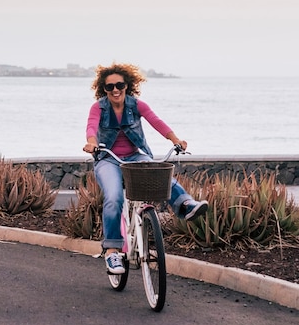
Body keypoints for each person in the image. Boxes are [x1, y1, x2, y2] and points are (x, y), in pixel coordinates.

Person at [82, 63, 208, 274]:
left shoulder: (137, 105)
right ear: (103, 89)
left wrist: (176, 140)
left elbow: (156, 122)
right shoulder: (98, 108)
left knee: (159, 174)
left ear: (127, 86)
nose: (115, 90)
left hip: (135, 156)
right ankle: (112, 252)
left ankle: (185, 205)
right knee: (114, 197)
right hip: (107, 158)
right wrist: (91, 142)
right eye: (109, 86)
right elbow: (91, 127)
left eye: (119, 85)